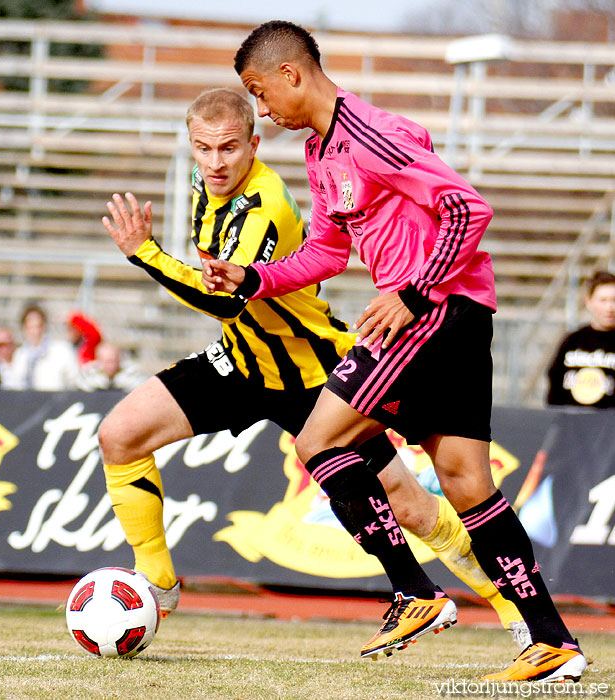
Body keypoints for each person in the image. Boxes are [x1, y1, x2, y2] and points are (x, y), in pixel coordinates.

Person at [201, 22, 586, 682]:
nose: (261, 109)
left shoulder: (370, 132)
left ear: (291, 75)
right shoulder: (322, 153)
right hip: (455, 314)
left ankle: (413, 592)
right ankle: (551, 644)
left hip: (430, 313)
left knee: (317, 441)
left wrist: (411, 292)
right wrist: (254, 278)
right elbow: (326, 251)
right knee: (466, 481)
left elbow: (468, 210)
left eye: (260, 94)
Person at [98, 88, 527, 647]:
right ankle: (156, 583)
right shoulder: (206, 189)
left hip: (310, 370)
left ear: (254, 144)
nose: (216, 161)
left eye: (229, 148)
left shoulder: (263, 202)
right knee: (119, 436)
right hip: (244, 362)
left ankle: (513, 612)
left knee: (414, 509)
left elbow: (229, 298)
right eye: (203, 149)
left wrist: (145, 253)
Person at [547, 270, 615, 408]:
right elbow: (554, 383)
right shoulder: (572, 340)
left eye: (614, 300)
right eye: (603, 300)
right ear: (589, 302)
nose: (610, 307)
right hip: (573, 424)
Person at [9, 304, 80, 390]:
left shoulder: (62, 351)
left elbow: (73, 383)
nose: (35, 332)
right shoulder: (20, 355)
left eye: (38, 326)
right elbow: (15, 384)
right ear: (24, 329)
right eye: (30, 327)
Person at [77, 341, 146, 392]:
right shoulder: (88, 375)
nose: (111, 366)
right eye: (107, 362)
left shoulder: (132, 375)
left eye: (113, 361)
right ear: (99, 361)